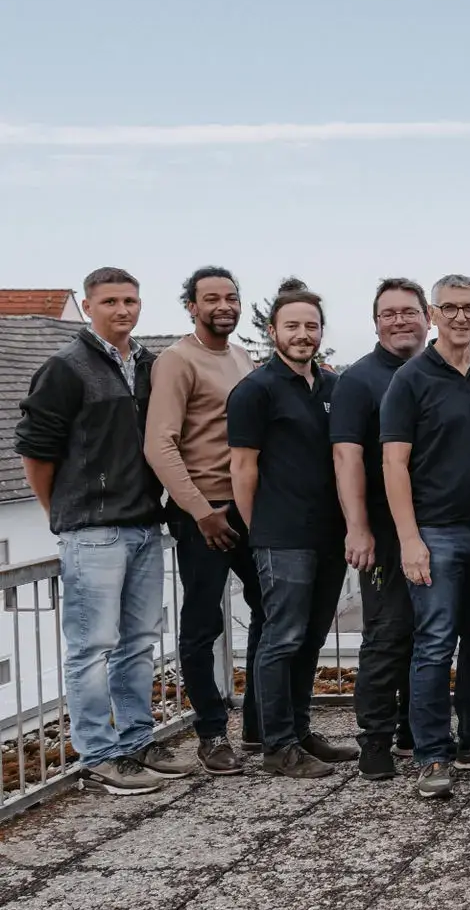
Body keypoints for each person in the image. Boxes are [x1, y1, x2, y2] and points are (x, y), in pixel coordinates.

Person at [15, 268, 192, 794]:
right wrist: (61, 511)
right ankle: (98, 756)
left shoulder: (149, 366)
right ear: (89, 307)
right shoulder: (66, 367)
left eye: (130, 300)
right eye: (110, 301)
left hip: (143, 524)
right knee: (91, 648)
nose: (122, 309)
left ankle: (137, 742)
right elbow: (35, 450)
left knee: (139, 642)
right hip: (92, 531)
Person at [381, 273, 470, 800]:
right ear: (434, 314)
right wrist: (409, 539)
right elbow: (394, 464)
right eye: (450, 307)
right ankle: (433, 753)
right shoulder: (411, 378)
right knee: (435, 643)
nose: (461, 317)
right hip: (436, 532)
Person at [227, 279, 356, 779]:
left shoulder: (332, 387)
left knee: (310, 638)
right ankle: (277, 744)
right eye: (292, 326)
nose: (303, 334)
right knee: (281, 639)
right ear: (272, 330)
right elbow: (242, 469)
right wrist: (260, 530)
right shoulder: (255, 390)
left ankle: (301, 733)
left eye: (311, 326)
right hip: (282, 535)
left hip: (329, 533)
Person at [145, 265, 259, 773]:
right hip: (203, 512)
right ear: (191, 306)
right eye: (211, 298)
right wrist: (200, 512)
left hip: (247, 506)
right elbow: (159, 445)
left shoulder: (241, 357)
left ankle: (260, 722)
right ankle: (212, 734)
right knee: (202, 624)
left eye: (231, 297)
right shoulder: (176, 361)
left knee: (272, 609)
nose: (224, 306)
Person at [329, 278, 427, 779]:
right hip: (384, 531)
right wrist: (358, 527)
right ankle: (375, 740)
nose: (400, 321)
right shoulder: (359, 380)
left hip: (436, 524)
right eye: (389, 313)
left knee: (429, 634)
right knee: (387, 633)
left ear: (426, 318)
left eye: (409, 312)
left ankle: (415, 730)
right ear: (375, 323)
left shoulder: (437, 373)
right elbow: (346, 457)